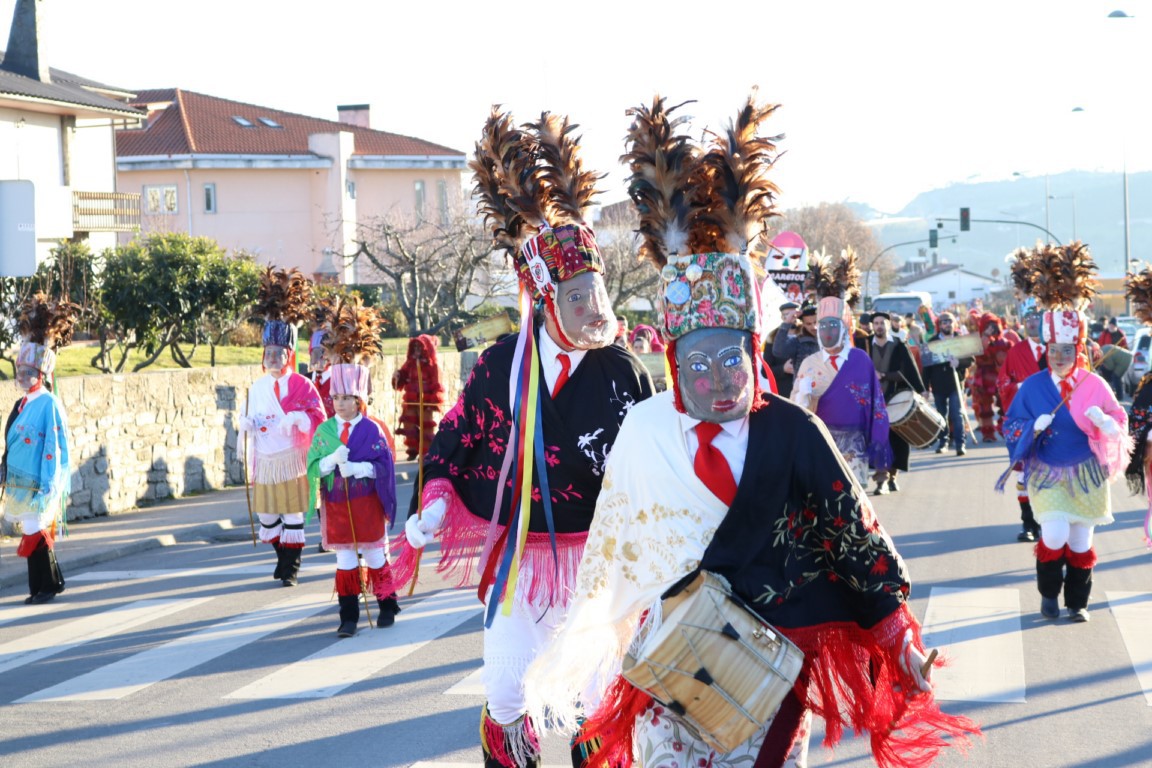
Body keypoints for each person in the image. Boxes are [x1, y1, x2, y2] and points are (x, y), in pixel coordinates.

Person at [524, 93, 977, 768]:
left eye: (731, 359)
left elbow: (854, 534)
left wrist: (898, 635)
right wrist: (596, 648)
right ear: (674, 362)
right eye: (698, 363)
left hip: (771, 659)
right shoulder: (645, 430)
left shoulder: (791, 431)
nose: (717, 379)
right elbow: (613, 545)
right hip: (671, 663)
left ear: (753, 354)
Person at [394, 107, 654, 768]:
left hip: (599, 562)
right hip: (521, 562)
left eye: (598, 294)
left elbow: (656, 459)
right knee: (506, 690)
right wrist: (435, 497)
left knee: (599, 698)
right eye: (577, 299)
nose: (596, 312)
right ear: (542, 298)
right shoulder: (502, 365)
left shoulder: (623, 369)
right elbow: (456, 433)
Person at [998, 308, 1131, 621]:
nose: (1059, 356)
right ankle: (1048, 595)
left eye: (1066, 350)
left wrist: (1106, 423)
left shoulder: (1094, 383)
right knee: (1055, 534)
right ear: (1046, 350)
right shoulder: (1032, 386)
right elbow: (1010, 424)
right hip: (1047, 471)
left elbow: (1119, 418)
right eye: (1053, 350)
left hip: (1086, 472)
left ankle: (1077, 602)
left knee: (1081, 539)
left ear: (1078, 350)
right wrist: (1032, 427)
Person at [307, 298, 400, 636]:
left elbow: (384, 468)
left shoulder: (371, 430)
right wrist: (329, 462)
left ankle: (387, 603)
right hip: (336, 505)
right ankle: (348, 617)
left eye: (348, 399)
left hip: (366, 504)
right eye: (336, 399)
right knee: (345, 561)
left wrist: (360, 469)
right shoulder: (325, 431)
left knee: (375, 557)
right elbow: (314, 464)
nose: (341, 404)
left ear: (359, 400)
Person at [239, 267, 325, 587]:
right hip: (266, 460)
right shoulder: (256, 388)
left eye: (279, 353)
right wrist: (244, 426)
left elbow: (318, 417)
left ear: (288, 355)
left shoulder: (302, 385)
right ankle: (281, 556)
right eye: (269, 353)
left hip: (292, 458)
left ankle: (291, 567)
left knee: (292, 515)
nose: (273, 358)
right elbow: (246, 418)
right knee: (267, 516)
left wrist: (300, 419)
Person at [2, 294, 78, 605]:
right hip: (22, 481)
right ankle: (47, 584)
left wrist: (50, 483)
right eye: (20, 372)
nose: (22, 377)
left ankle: (45, 586)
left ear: (41, 375)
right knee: (31, 530)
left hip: (39, 482)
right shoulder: (22, 403)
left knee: (36, 531)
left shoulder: (48, 403)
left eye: (28, 373)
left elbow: (55, 446)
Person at [792, 255, 892, 488]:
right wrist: (803, 397)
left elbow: (875, 403)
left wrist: (877, 438)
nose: (827, 331)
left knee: (853, 501)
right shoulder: (809, 363)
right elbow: (797, 408)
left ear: (845, 328)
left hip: (854, 446)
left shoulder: (860, 360)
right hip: (821, 443)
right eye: (823, 325)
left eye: (833, 325)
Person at [997, 308, 1047, 542]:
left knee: (1053, 472)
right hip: (1025, 419)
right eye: (1027, 319)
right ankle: (1028, 523)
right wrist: (1021, 386)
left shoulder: (1058, 350)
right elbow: (1003, 382)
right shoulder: (1016, 352)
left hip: (1054, 420)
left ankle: (1048, 522)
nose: (1032, 323)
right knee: (1024, 473)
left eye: (1037, 319)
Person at [867, 311, 926, 494]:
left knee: (897, 439)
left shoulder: (899, 346)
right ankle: (881, 480)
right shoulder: (865, 345)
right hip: (873, 401)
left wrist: (920, 389)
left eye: (882, 323)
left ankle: (893, 476)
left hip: (895, 399)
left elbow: (909, 371)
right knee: (878, 439)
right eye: (875, 323)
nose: (878, 326)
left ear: (888, 324)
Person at [922, 312, 973, 456]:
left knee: (957, 414)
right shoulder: (932, 343)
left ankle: (960, 444)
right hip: (938, 384)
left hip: (956, 384)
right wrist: (925, 388)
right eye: (944, 322)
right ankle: (943, 442)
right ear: (940, 325)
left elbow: (970, 359)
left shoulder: (960, 340)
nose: (947, 324)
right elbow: (926, 368)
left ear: (954, 324)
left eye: (949, 322)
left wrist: (959, 362)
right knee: (941, 415)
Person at [392, 335, 446, 462]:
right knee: (409, 425)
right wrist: (397, 376)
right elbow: (403, 377)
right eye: (414, 347)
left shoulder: (433, 366)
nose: (416, 350)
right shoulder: (409, 363)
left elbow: (437, 385)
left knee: (426, 428)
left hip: (426, 401)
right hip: (411, 400)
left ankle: (426, 453)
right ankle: (413, 450)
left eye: (419, 347)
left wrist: (432, 402)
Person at [970, 312, 1012, 442]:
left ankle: (1005, 430)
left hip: (1001, 377)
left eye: (993, 324)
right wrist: (986, 335)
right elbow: (978, 353)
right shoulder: (977, 341)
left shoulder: (1005, 342)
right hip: (983, 378)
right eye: (988, 325)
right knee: (985, 408)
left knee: (1005, 406)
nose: (991, 327)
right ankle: (988, 433)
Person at [771, 300, 819, 395]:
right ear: (803, 324)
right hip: (804, 394)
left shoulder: (830, 340)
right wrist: (787, 322)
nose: (814, 327)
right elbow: (778, 351)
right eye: (809, 324)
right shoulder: (798, 341)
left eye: (816, 322)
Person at [764, 301, 799, 397]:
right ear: (782, 317)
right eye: (787, 315)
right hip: (783, 394)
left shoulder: (805, 333)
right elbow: (765, 372)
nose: (791, 318)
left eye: (794, 314)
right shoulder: (772, 337)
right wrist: (783, 369)